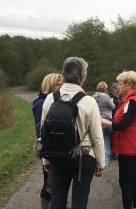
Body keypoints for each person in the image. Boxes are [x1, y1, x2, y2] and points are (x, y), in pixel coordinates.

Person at [41, 57, 105, 209]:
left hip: (57, 155)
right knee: (80, 199)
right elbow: (97, 135)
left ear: (63, 75)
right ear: (82, 77)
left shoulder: (50, 98)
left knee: (57, 197)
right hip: (83, 157)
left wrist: (46, 160)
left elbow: (44, 131)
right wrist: (100, 162)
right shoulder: (89, 101)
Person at [101, 71, 136, 209]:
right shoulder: (132, 100)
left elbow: (122, 125)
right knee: (133, 178)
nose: (118, 86)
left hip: (128, 146)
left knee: (125, 181)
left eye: (121, 83)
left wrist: (103, 121)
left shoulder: (132, 101)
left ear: (130, 84)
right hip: (131, 146)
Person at [31, 73, 63, 209]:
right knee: (49, 184)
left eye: (61, 84)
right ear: (49, 85)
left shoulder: (55, 100)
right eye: (57, 84)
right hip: (49, 149)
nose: (61, 86)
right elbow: (41, 131)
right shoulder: (41, 103)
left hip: (56, 148)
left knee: (56, 183)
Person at [93, 81, 115, 167]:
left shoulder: (94, 96)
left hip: (97, 120)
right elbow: (113, 107)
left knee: (97, 142)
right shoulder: (106, 97)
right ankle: (106, 163)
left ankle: (96, 162)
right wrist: (111, 100)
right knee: (106, 142)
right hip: (106, 121)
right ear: (105, 88)